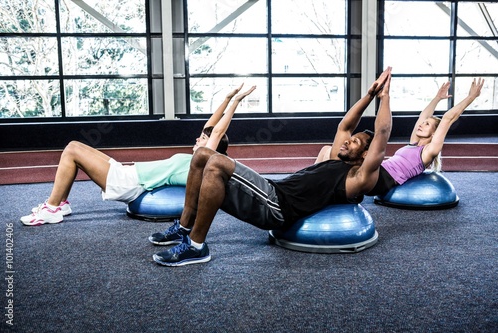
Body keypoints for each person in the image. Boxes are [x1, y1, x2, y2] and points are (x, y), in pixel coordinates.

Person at [149, 67, 393, 266]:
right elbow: (344, 127)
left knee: (216, 163)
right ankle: (183, 227)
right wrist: (370, 95)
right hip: (273, 191)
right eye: (352, 139)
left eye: (356, 143)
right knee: (202, 154)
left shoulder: (358, 177)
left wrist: (384, 98)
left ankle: (196, 246)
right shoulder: (336, 159)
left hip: (278, 205)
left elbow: (382, 134)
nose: (349, 141)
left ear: (365, 156)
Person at [21, 84, 257, 226]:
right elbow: (210, 125)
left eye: (203, 140)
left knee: (72, 148)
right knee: (79, 147)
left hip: (130, 183)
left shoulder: (203, 162)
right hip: (128, 172)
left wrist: (236, 102)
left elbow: (217, 131)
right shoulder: (196, 158)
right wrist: (226, 98)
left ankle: (52, 208)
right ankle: (61, 204)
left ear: (211, 149)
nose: (198, 139)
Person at [316, 78, 485, 196]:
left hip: (382, 178)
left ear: (435, 133)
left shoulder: (428, 152)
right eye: (423, 123)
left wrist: (471, 97)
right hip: (375, 168)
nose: (421, 124)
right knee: (328, 151)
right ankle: (311, 179)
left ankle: (317, 185)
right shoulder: (414, 143)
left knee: (334, 160)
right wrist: (437, 98)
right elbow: (423, 115)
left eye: (427, 125)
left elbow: (447, 119)